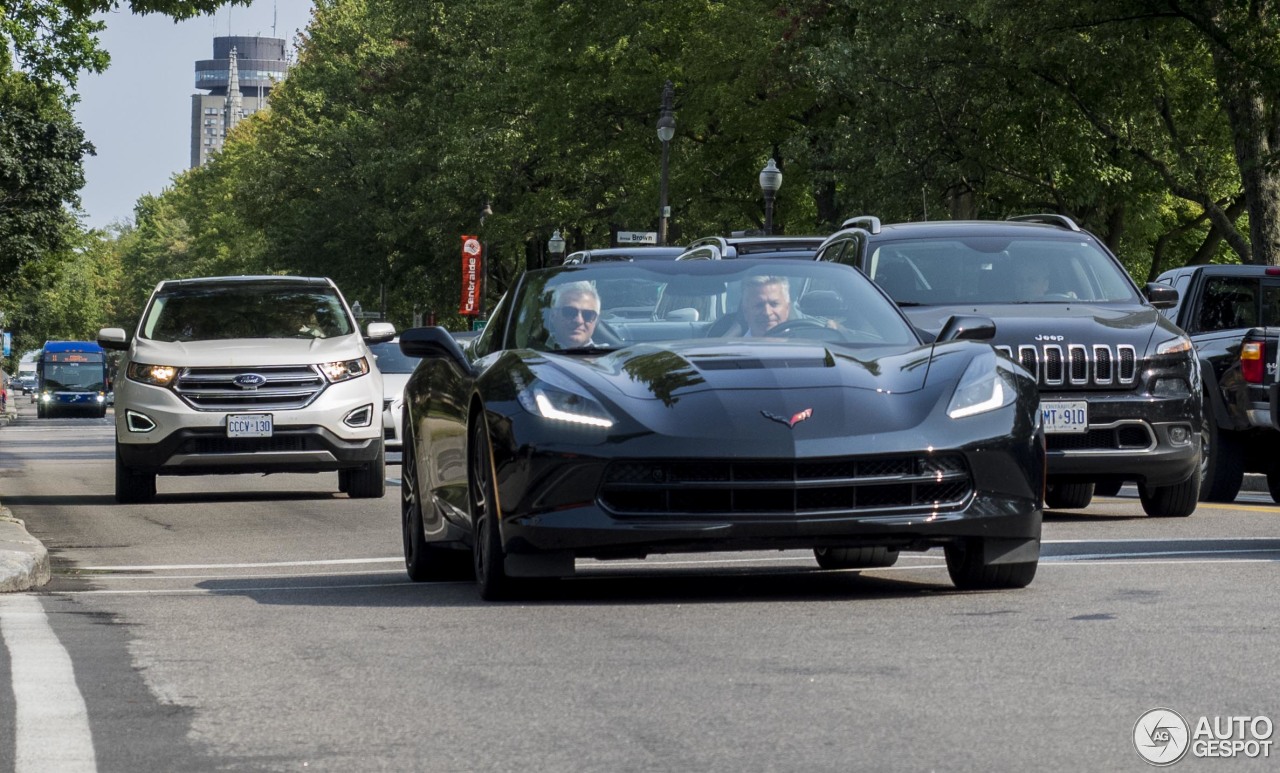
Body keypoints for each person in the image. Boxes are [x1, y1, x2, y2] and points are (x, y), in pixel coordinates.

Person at [547, 281, 601, 349]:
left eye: (588, 314)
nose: (579, 321)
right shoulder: (532, 353)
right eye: (570, 312)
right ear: (553, 315)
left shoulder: (611, 356)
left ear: (596, 321)